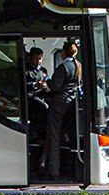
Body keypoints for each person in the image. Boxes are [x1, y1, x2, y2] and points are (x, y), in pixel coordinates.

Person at [42, 40, 81, 180]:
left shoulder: (63, 66)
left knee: (54, 136)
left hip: (59, 103)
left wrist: (46, 79)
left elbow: (55, 86)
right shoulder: (78, 66)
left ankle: (53, 171)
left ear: (64, 52)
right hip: (71, 103)